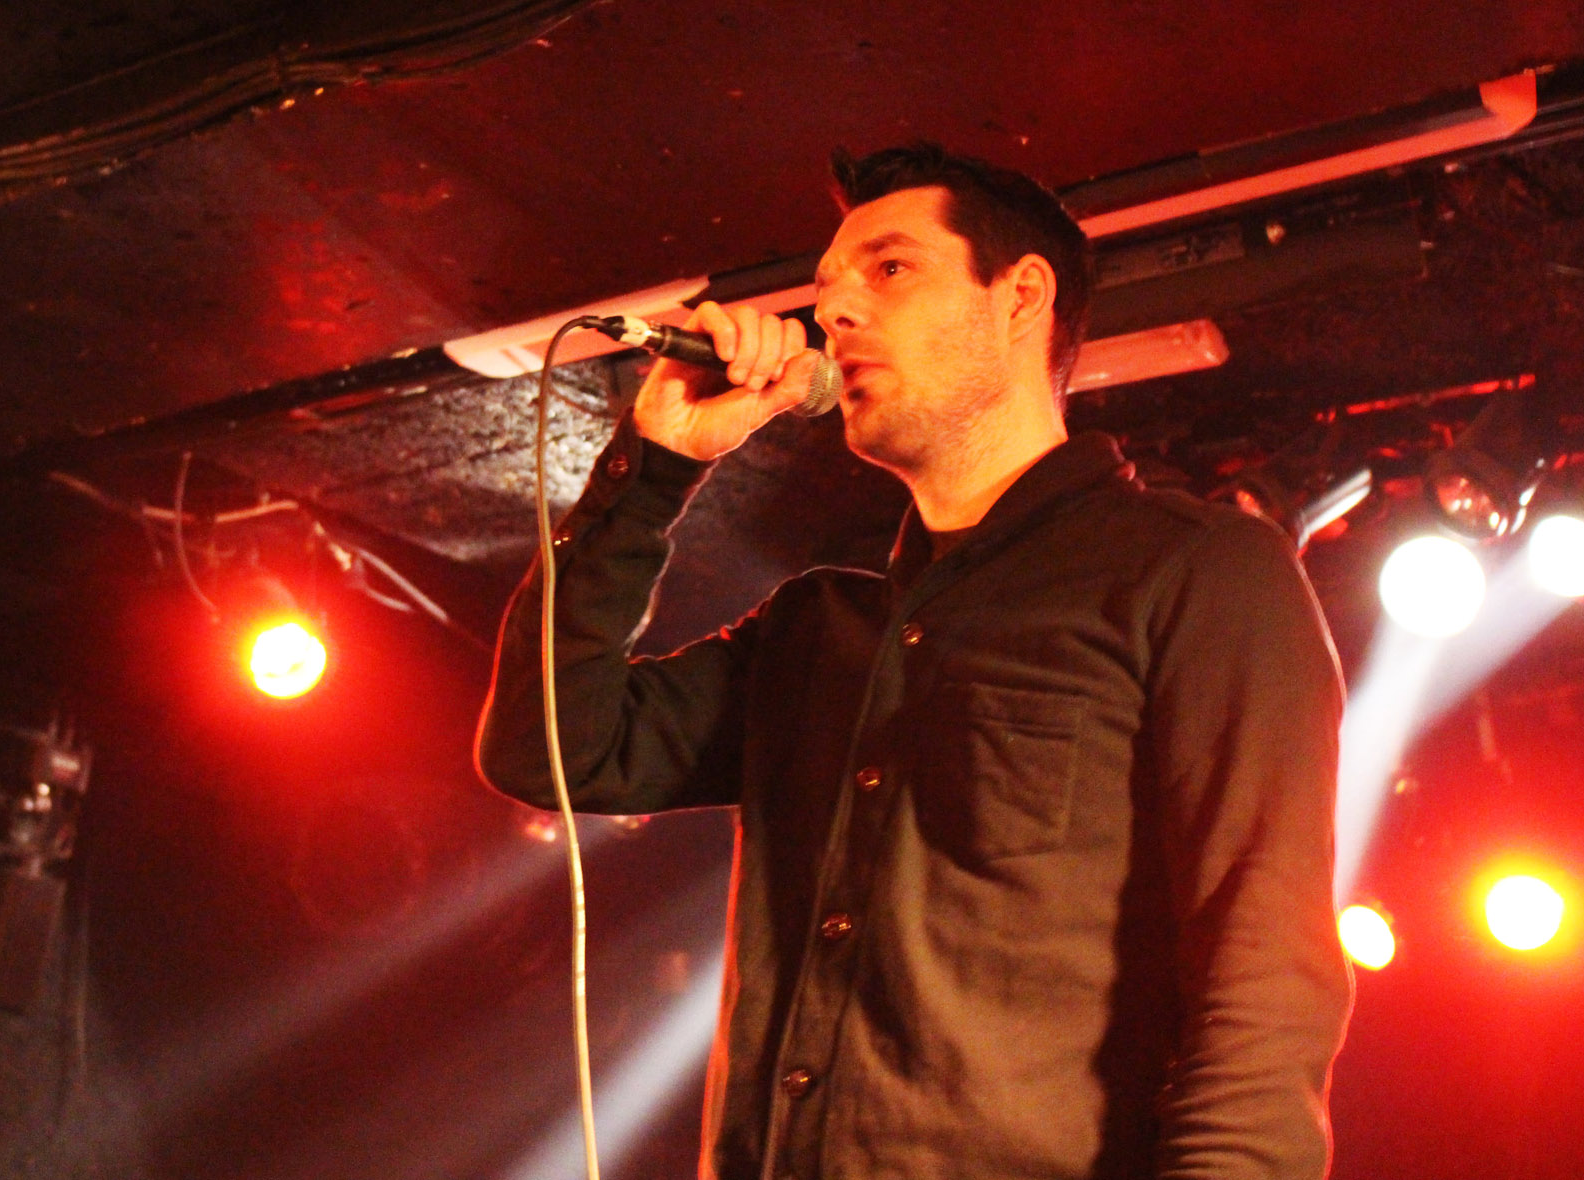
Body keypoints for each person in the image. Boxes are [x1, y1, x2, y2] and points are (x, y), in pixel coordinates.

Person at [476, 143, 1352, 1180]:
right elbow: (549, 748)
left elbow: (1262, 985)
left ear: (1020, 296)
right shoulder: (816, 626)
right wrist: (653, 470)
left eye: (888, 269)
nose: (835, 312)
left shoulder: (1196, 571)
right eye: (826, 291)